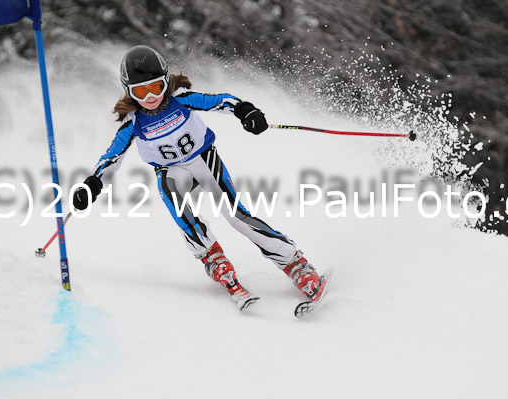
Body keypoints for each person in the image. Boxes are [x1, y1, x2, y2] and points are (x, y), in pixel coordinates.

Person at [72, 45, 327, 310]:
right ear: (129, 92)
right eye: (140, 91)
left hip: (203, 159)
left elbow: (219, 101)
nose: (149, 97)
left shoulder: (180, 98)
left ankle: (296, 264)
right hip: (171, 171)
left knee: (236, 217)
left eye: (155, 87)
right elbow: (111, 159)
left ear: (166, 83)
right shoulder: (132, 122)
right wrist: (93, 184)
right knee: (180, 209)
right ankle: (215, 260)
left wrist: (245, 111)